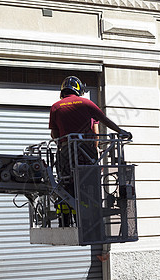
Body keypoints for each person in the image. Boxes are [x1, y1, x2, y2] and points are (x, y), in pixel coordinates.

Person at [49, 76, 132, 227]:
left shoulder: (55, 107)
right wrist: (120, 131)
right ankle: (89, 220)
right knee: (89, 185)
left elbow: (54, 134)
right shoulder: (86, 103)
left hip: (66, 153)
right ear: (78, 89)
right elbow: (104, 120)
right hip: (86, 151)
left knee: (66, 183)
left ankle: (65, 221)